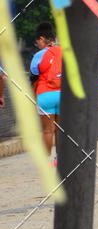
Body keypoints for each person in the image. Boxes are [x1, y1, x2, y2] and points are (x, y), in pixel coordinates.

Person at [30, 22, 62, 157]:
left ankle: (47, 162)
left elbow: (34, 73)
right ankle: (61, 161)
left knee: (47, 131)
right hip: (62, 94)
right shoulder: (62, 51)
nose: (37, 45)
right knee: (60, 130)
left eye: (37, 42)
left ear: (42, 39)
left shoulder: (39, 55)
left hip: (45, 94)